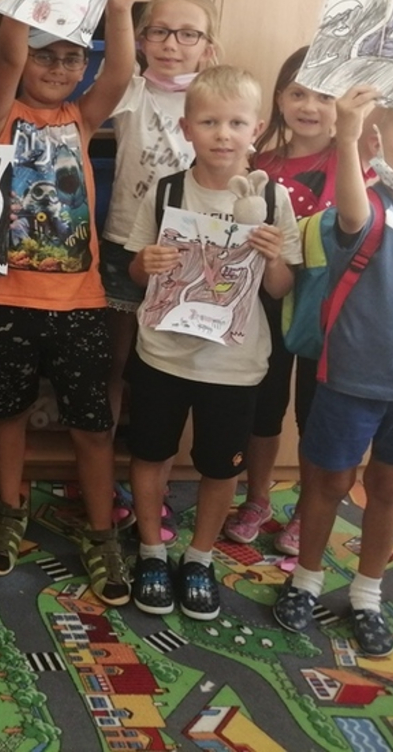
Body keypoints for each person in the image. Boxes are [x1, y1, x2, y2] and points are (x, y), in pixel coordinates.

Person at [0, 0, 142, 605]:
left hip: (80, 304)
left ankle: (102, 533)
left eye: (72, 57)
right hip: (5, 299)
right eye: (48, 54)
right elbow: (9, 57)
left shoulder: (81, 119)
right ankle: (9, 511)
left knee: (92, 424)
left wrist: (120, 6)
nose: (59, 67)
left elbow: (120, 74)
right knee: (6, 413)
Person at [274, 83, 393, 658]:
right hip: (351, 383)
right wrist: (347, 134)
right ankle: (306, 579)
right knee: (329, 484)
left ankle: (367, 593)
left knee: (388, 489)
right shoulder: (363, 210)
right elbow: (353, 208)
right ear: (380, 139)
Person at [126, 65, 299, 620]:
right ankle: (152, 551)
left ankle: (199, 558)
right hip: (162, 354)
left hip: (234, 364)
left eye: (236, 123)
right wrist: (146, 262)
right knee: (150, 453)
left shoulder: (272, 199)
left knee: (221, 467)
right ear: (187, 128)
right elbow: (136, 272)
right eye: (209, 122)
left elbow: (280, 288)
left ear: (256, 128)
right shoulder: (167, 190)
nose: (223, 134)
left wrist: (273, 257)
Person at [102, 0, 221, 540]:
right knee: (114, 365)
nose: (172, 44)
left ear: (208, 47)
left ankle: (158, 486)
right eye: (160, 31)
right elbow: (117, 59)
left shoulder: (215, 104)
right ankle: (102, 477)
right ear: (143, 39)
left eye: (188, 34)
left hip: (193, 254)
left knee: (169, 374)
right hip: (127, 246)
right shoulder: (131, 90)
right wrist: (120, 7)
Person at [223, 48, 336, 553]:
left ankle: (309, 508)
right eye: (298, 93)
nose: (309, 106)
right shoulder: (259, 166)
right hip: (267, 302)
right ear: (280, 99)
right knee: (263, 407)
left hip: (327, 310)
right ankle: (257, 497)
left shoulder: (353, 162)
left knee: (314, 414)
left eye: (325, 96)